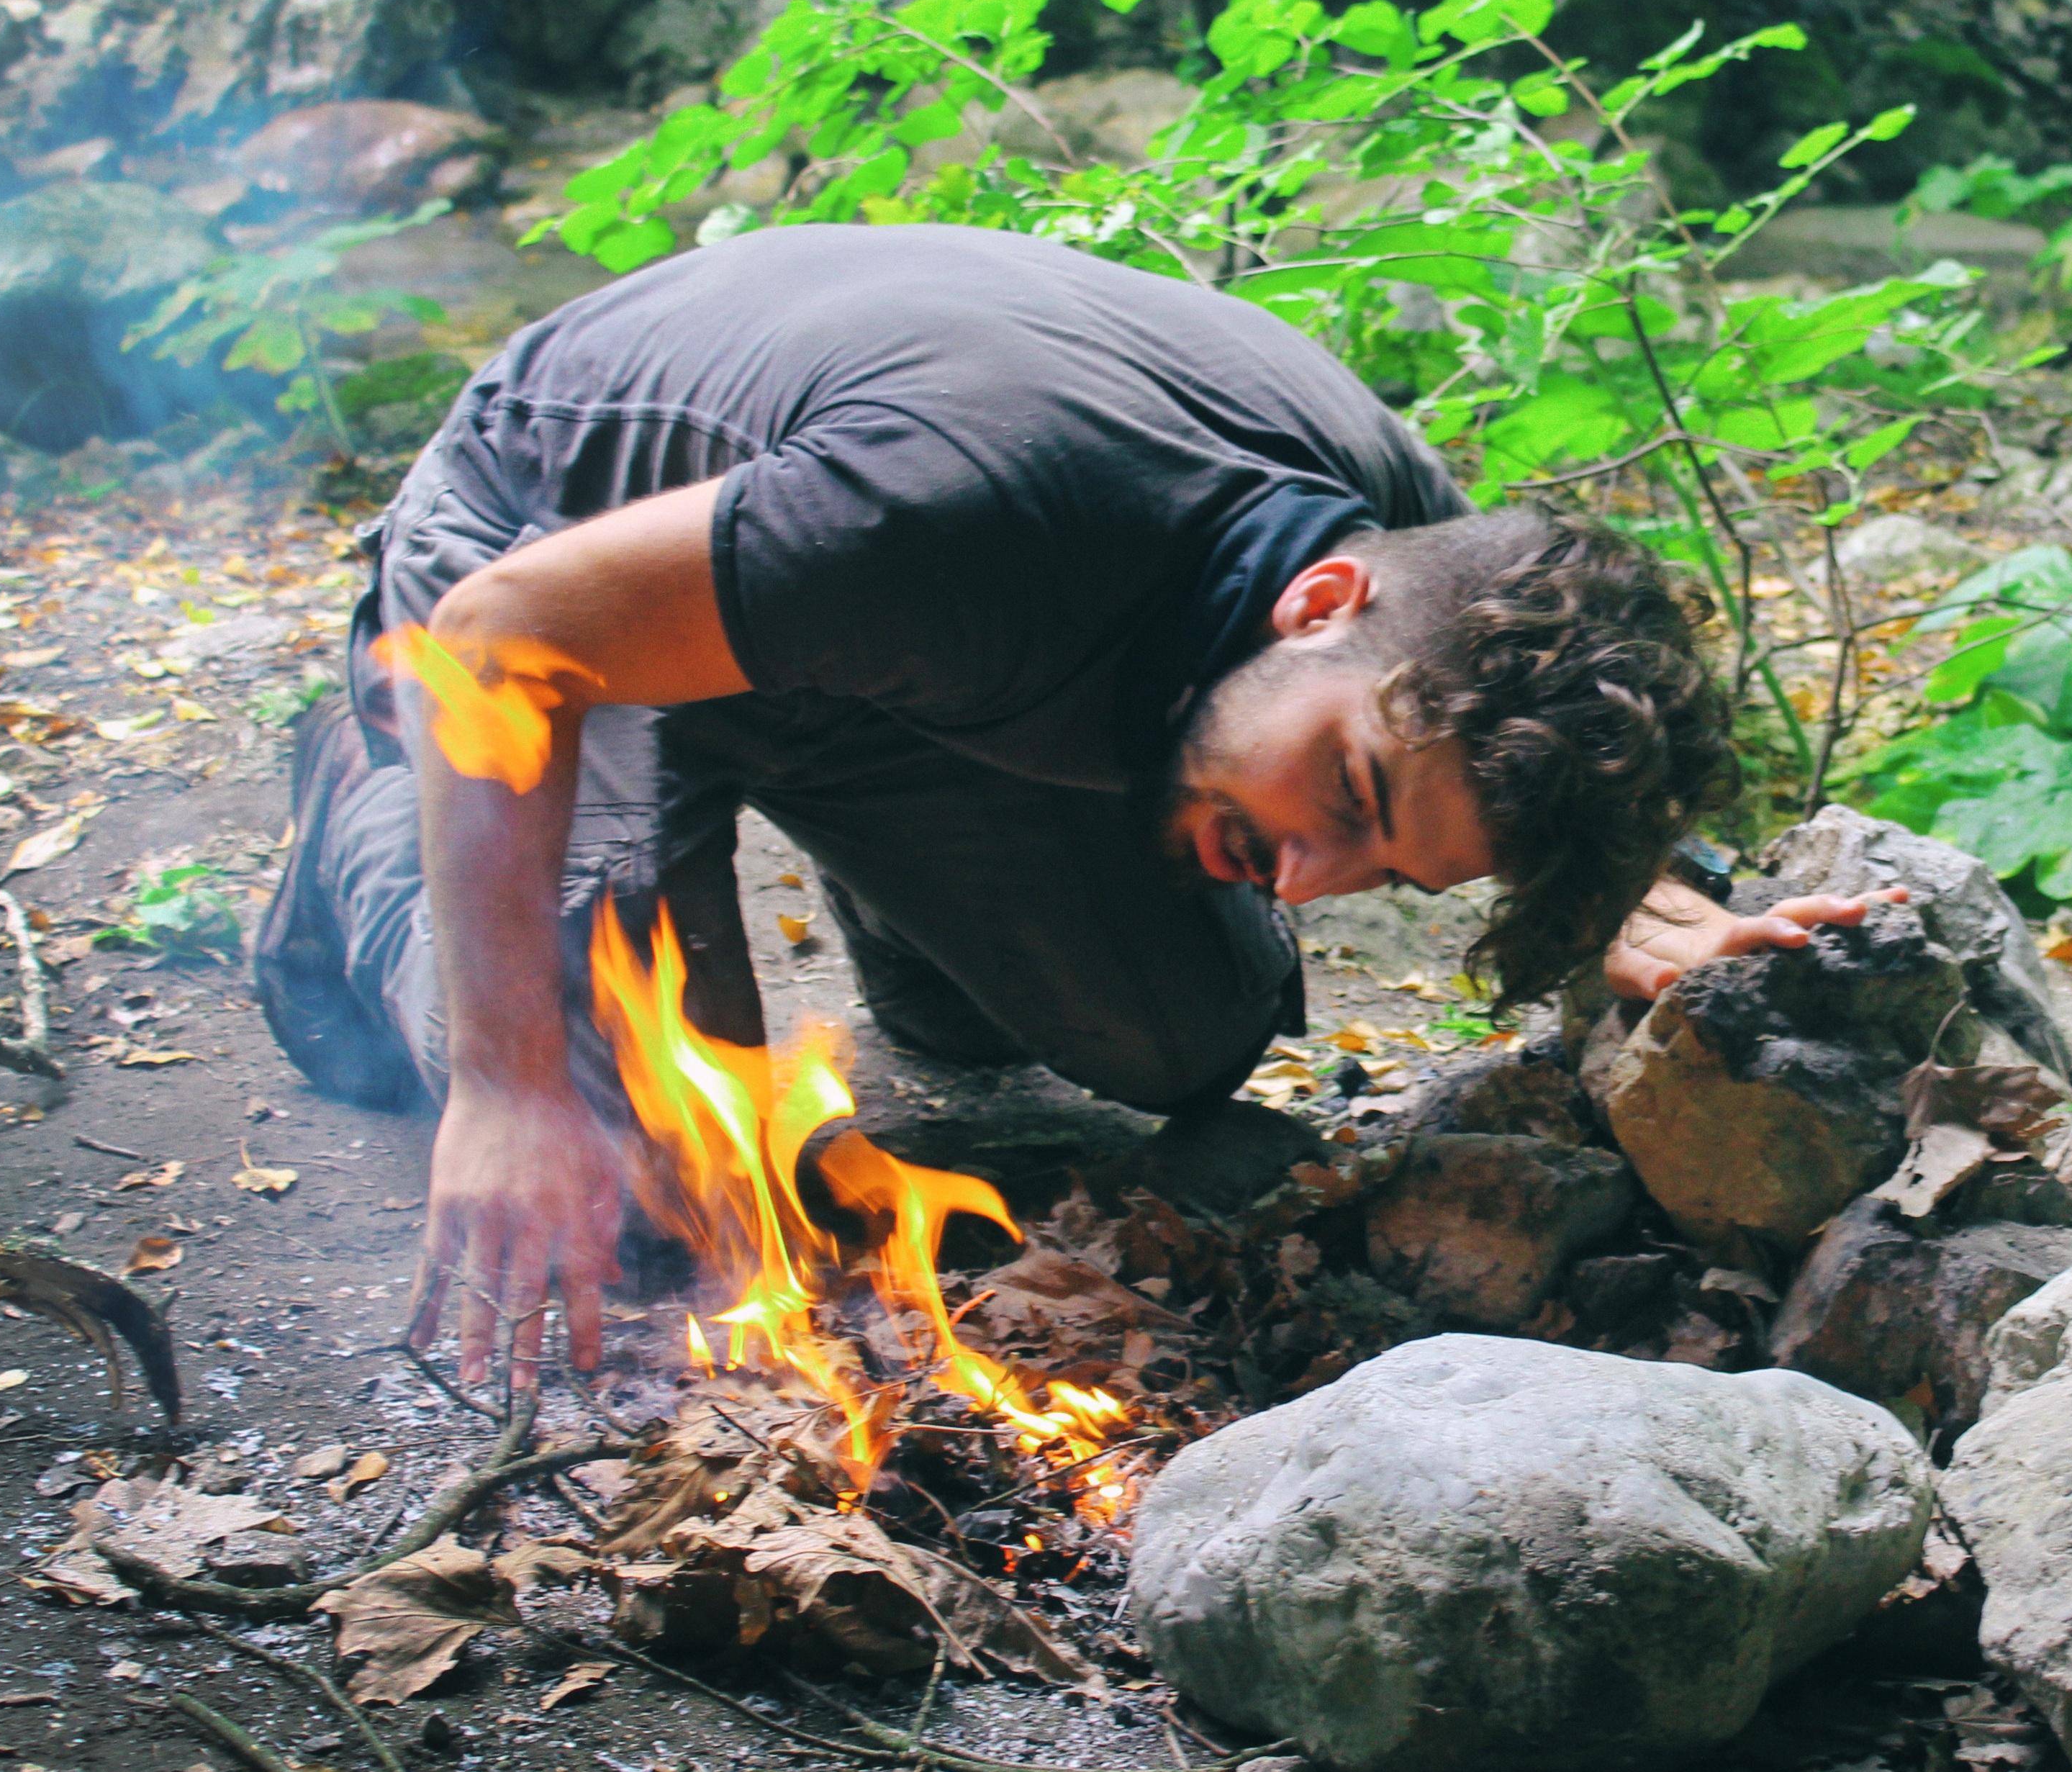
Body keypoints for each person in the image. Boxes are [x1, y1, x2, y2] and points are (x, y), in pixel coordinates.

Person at [255, 222, 1878, 1385]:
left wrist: (1627, 893)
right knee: (633, 1183)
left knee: (1176, 1036)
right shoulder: (964, 510)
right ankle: (368, 816)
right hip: (558, 577)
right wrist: (507, 1076)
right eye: (1347, 795)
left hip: (862, 650)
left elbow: (1520, 712)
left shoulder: (1425, 590)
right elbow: (506, 642)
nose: (1308, 880)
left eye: (1389, 866)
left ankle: (888, 859)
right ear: (1315, 603)